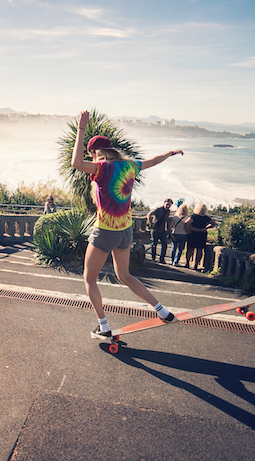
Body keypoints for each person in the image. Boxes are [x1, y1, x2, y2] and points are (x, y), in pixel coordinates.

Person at [70, 110, 184, 339]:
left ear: (95, 153)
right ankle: (162, 310)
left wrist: (81, 128)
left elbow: (75, 162)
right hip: (125, 232)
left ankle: (103, 326)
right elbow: (152, 161)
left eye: (92, 154)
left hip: (105, 232)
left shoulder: (101, 168)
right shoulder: (130, 165)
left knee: (89, 278)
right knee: (126, 276)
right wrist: (170, 152)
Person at [185, 202, 214, 271]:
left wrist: (188, 230)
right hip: (202, 234)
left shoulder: (194, 217)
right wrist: (207, 227)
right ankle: (196, 264)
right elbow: (213, 223)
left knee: (190, 249)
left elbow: (187, 223)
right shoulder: (206, 218)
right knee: (199, 250)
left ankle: (187, 263)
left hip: (193, 234)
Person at [146, 199, 173, 263]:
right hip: (155, 229)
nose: (168, 206)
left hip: (162, 230)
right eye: (167, 204)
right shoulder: (158, 209)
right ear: (164, 203)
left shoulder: (168, 212)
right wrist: (150, 223)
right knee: (154, 244)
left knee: (165, 244)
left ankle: (162, 259)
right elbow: (149, 214)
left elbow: (167, 221)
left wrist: (169, 230)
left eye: (169, 205)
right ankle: (153, 258)